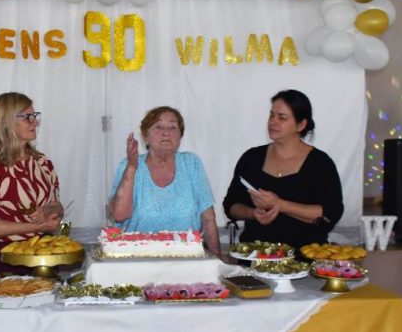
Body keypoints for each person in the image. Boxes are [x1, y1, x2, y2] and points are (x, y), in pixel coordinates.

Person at [223, 89, 343, 249]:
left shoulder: (320, 163)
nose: (273, 122)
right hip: (255, 255)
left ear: (301, 125)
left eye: (282, 117)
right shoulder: (251, 158)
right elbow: (231, 206)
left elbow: (330, 213)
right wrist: (252, 213)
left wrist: (279, 204)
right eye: (271, 115)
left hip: (304, 257)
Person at [0, 92, 63, 274]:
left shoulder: (42, 162)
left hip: (45, 257)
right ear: (6, 122)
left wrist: (46, 211)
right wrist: (38, 226)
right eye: (28, 117)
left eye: (35, 116)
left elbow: (57, 206)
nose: (35, 122)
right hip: (7, 263)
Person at [109, 106, 221, 256]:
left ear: (180, 136)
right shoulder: (129, 165)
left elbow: (208, 219)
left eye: (173, 127)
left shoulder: (191, 163)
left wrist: (217, 259)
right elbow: (119, 215)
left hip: (188, 259)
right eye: (158, 127)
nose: (166, 133)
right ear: (145, 136)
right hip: (137, 259)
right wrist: (132, 167)